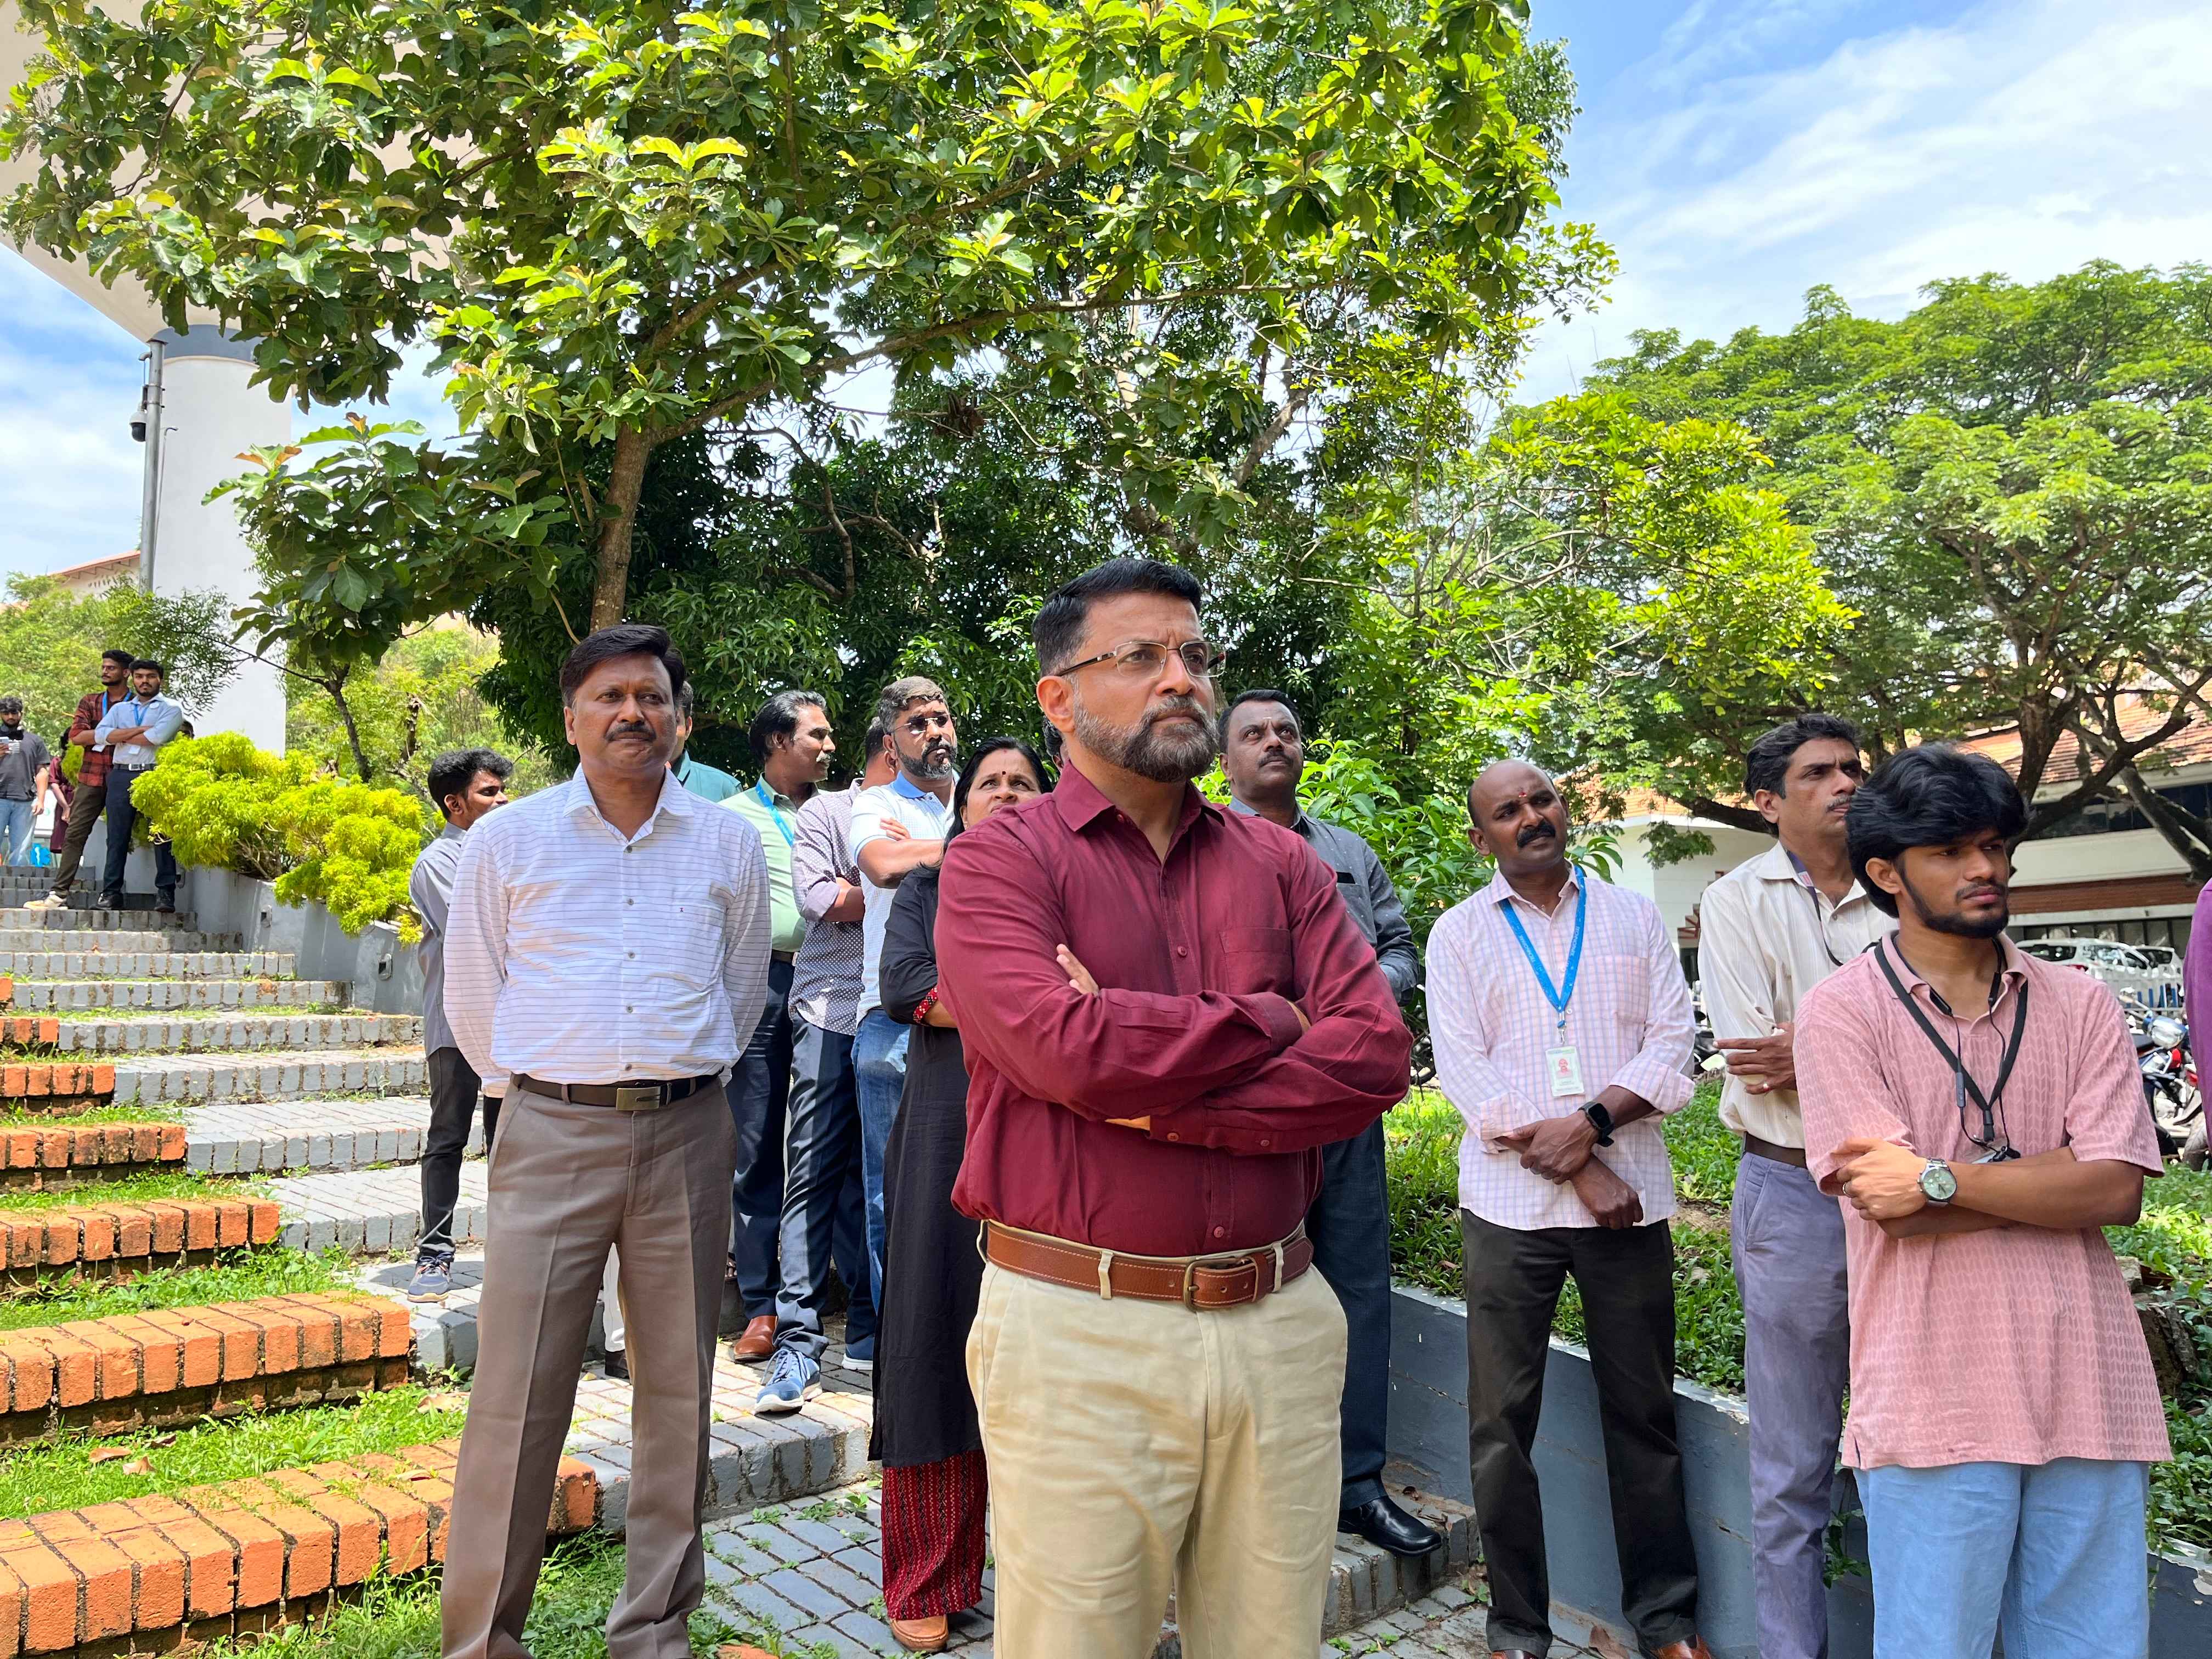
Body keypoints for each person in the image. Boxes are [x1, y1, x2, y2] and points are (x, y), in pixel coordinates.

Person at [934, 557, 1412, 1659]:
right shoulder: (999, 863)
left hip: (1282, 1326)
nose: (1182, 679)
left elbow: (1376, 1056)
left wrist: (1157, 1097)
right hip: (1076, 1332)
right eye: (1141, 658)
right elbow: (1064, 1048)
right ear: (1058, 697)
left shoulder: (1283, 868)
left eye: (1195, 656)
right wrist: (1274, 1018)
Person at [438, 623, 771, 1659]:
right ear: (571, 718)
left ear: (679, 716)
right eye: (612, 695)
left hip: (685, 1134)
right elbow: (474, 993)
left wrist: (678, 1076)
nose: (635, 712)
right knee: (516, 1394)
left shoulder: (726, 841)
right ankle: (485, 1640)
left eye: (653, 695)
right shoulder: (509, 838)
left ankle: (654, 1634)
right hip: (548, 1128)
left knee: (678, 1390)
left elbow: (744, 988)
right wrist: (535, 1094)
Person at [1797, 744, 2170, 1659]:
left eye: (1996, 845)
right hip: (1933, 1393)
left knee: (2095, 1647)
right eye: (1952, 850)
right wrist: (2047, 1183)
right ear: (1886, 872)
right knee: (1933, 1644)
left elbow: (2114, 1185)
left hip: (2087, 1382)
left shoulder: (2081, 1003)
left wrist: (1939, 1176)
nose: (1986, 869)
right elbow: (1881, 1202)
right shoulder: (1842, 1012)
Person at [1427, 759, 1713, 1659]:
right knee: (1500, 1427)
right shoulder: (1459, 933)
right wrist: (1586, 1167)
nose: (1531, 815)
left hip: (1632, 1211)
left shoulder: (1631, 916)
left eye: (1542, 798)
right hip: (1511, 1213)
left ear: (1565, 808)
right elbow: (1468, 1074)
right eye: (1507, 810)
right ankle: (1516, 1629)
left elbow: (1676, 1045)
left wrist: (1588, 1123)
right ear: (1482, 838)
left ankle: (1665, 1621)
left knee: (1644, 1415)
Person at [1217, 688, 1440, 1559]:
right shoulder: (1202, 847)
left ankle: (1356, 1484)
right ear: (1222, 759)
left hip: (1344, 1105)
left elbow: (1398, 948)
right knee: (1250, 1288)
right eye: (1254, 732)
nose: (1275, 741)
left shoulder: (1348, 851)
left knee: (1357, 1287)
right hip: (1250, 1106)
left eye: (1286, 729)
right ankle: (1251, 1489)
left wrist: (1349, 1009)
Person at [1694, 713, 1891, 1659]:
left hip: (1916, 1198)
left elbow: (1949, 1058)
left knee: (1917, 1451)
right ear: (1768, 801)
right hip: (1791, 1197)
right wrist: (1879, 1050)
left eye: (1850, 767)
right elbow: (1751, 1056)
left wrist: (1812, 1047)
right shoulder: (1736, 901)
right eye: (1818, 772)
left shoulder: (1906, 887)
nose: (1844, 782)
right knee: (1791, 1465)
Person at [871, 736, 1049, 1654]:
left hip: (1062, 1128)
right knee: (934, 1329)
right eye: (991, 782)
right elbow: (906, 987)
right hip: (949, 1120)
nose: (1009, 794)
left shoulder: (1077, 888)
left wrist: (976, 997)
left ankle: (1046, 1574)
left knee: (1054, 1349)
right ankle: (928, 1572)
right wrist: (1039, 1000)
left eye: (1025, 781)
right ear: (962, 803)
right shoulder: (928, 887)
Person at [760, 719, 895, 1398]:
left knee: (884, 1183)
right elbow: (820, 900)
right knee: (811, 1173)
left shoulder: (946, 811)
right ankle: (798, 1344)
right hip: (832, 1010)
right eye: (919, 729)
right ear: (890, 748)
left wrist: (873, 881)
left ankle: (874, 1335)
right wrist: (904, 874)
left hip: (907, 1020)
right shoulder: (828, 811)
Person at [721, 690, 838, 1359]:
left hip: (834, 981)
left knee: (827, 1139)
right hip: (762, 982)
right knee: (759, 1141)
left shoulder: (845, 812)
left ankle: (831, 1288)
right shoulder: (732, 819)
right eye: (815, 736)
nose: (827, 747)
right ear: (775, 742)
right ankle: (762, 1305)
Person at [848, 678, 957, 1317]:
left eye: (940, 719)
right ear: (891, 744)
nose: (935, 731)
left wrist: (932, 847)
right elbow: (884, 865)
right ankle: (899, 1350)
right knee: (895, 1190)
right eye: (917, 724)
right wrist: (974, 844)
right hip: (893, 1020)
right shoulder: (875, 801)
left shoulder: (978, 793)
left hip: (980, 1016)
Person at [404, 747, 515, 1304]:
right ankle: (434, 1254)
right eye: (489, 793)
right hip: (454, 1023)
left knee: (510, 1143)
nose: (502, 801)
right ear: (455, 804)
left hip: (511, 1028)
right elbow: (484, 934)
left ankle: (512, 1257)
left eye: (501, 791)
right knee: (448, 1135)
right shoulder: (440, 863)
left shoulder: (507, 858)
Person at [27, 649, 133, 910]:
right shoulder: (90, 701)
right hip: (92, 776)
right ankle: (59, 894)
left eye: (111, 668)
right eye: (104, 667)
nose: (105, 671)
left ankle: (111, 894)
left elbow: (146, 737)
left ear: (126, 673)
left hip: (126, 775)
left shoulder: (137, 704)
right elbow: (77, 737)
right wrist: (119, 734)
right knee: (74, 833)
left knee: (118, 837)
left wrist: (98, 734)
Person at [92, 659, 184, 912]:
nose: (145, 681)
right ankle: (111, 894)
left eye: (151, 676)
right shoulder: (120, 709)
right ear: (132, 678)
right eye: (140, 676)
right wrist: (140, 729)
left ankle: (165, 894)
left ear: (160, 680)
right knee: (117, 837)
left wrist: (121, 735)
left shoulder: (172, 709)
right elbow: (101, 736)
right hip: (121, 775)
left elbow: (156, 738)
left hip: (155, 775)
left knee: (162, 835)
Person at [0, 698, 53, 867]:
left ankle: (17, 888)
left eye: (14, 713)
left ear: (21, 714)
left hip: (25, 799)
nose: (10, 717)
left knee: (22, 850)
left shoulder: (34, 741)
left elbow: (42, 771)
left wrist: (42, 799)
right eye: (6, 713)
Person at [670, 681, 742, 802]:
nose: (665, 731)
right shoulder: (628, 784)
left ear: (688, 727)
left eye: (674, 722)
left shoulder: (725, 790)